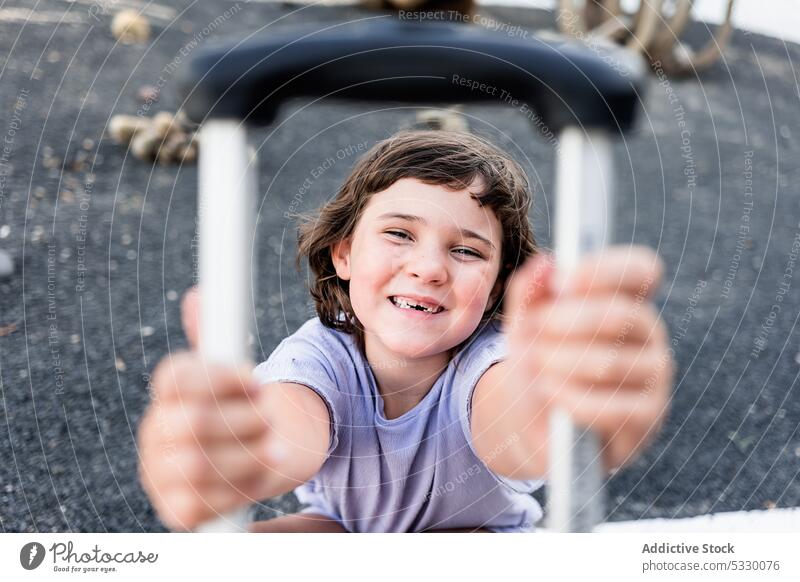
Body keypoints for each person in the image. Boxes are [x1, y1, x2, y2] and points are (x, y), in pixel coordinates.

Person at [137, 130, 672, 532]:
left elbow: (514, 418)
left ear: (497, 286)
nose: (430, 268)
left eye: (466, 251)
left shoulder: (489, 363)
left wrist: (560, 399)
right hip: (346, 532)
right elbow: (286, 426)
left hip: (479, 541)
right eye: (399, 234)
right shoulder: (318, 357)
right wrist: (236, 448)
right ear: (343, 252)